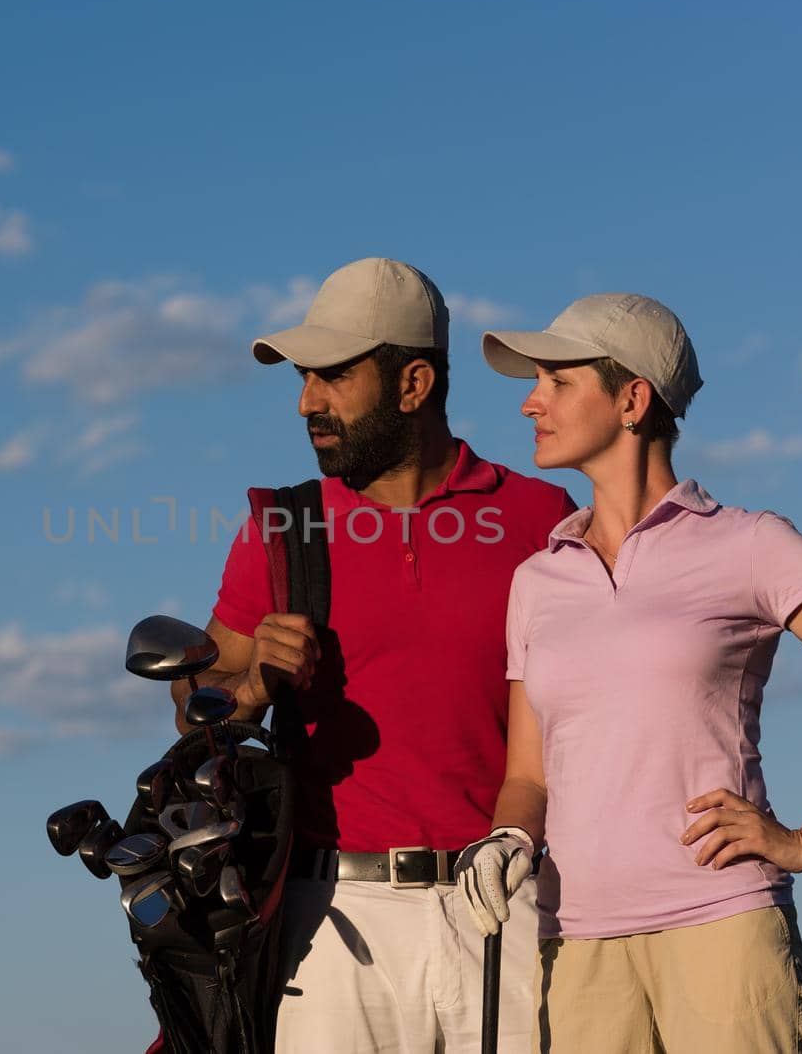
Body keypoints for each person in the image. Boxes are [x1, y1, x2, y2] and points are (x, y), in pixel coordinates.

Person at [452, 293, 802, 1053]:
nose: (531, 402)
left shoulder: (751, 545)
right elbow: (530, 775)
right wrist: (507, 839)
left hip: (722, 928)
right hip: (576, 941)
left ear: (632, 399)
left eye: (558, 382)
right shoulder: (538, 579)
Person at [173, 257, 575, 1052]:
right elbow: (194, 700)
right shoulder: (284, 530)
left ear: (414, 383)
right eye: (303, 379)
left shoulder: (543, 518)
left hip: (508, 905)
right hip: (331, 925)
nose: (306, 403)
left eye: (332, 377)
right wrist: (249, 685)